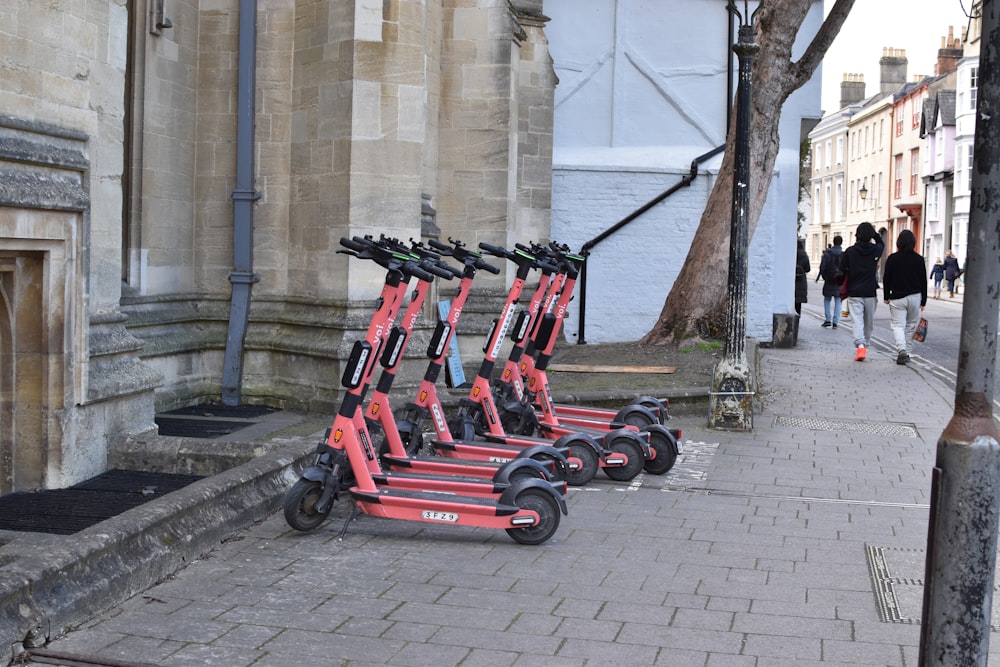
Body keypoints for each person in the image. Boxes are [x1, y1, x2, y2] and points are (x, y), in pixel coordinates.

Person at [839, 222, 884, 361]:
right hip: (870, 291)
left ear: (857, 235)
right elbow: (881, 243)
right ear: (870, 235)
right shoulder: (876, 250)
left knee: (857, 320)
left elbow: (841, 271)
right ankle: (865, 344)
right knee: (868, 322)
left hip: (854, 291)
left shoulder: (850, 252)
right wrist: (875, 234)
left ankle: (860, 346)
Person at [882, 229, 927, 365]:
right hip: (914, 296)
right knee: (911, 326)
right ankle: (907, 352)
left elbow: (886, 279)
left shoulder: (892, 259)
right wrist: (923, 300)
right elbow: (923, 281)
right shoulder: (919, 259)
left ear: (899, 242)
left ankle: (901, 349)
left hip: (897, 297)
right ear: (913, 242)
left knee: (897, 325)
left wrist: (886, 296)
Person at [817, 235, 844, 328]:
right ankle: (836, 321)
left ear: (833, 242)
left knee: (827, 299)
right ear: (841, 242)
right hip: (839, 280)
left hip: (828, 280)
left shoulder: (827, 254)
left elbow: (822, 267)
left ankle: (828, 319)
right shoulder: (843, 254)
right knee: (838, 301)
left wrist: (825, 277)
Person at [794, 238, 810, 316]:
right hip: (801, 281)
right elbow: (808, 269)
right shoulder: (804, 254)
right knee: (798, 303)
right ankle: (797, 319)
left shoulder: (792, 253)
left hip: (792, 280)